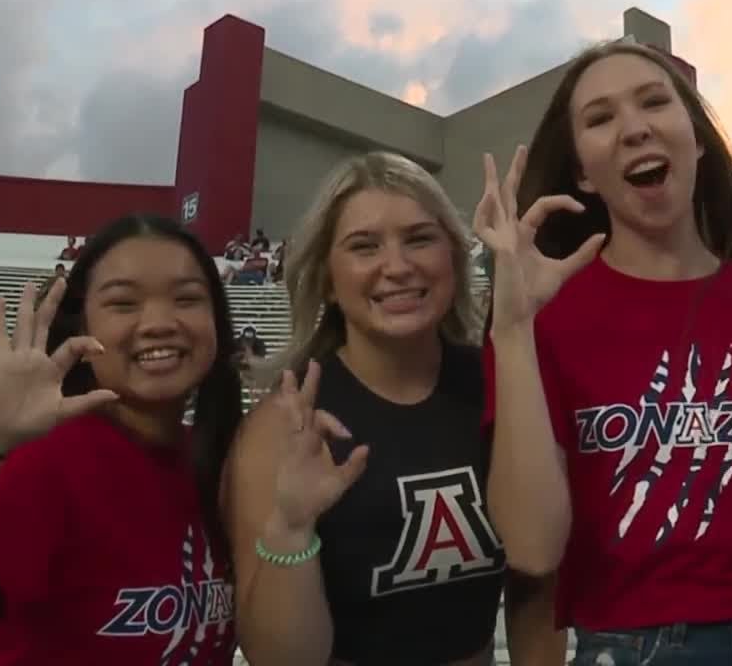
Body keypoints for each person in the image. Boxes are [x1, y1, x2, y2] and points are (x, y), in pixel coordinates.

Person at [477, 40, 732, 665]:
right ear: (584, 172)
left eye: (653, 103)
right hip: (628, 644)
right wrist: (511, 331)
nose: (635, 127)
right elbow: (534, 550)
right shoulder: (542, 320)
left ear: (695, 139)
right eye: (600, 118)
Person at [224, 151, 564, 666]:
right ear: (329, 279)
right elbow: (279, 658)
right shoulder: (288, 424)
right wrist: (291, 527)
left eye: (420, 238)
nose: (398, 266)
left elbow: (536, 588)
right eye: (364, 246)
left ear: (453, 255)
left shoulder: (504, 384)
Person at [0, 214, 244, 665]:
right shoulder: (47, 462)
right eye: (123, 303)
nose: (159, 322)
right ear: (83, 329)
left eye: (187, 298)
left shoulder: (231, 462)